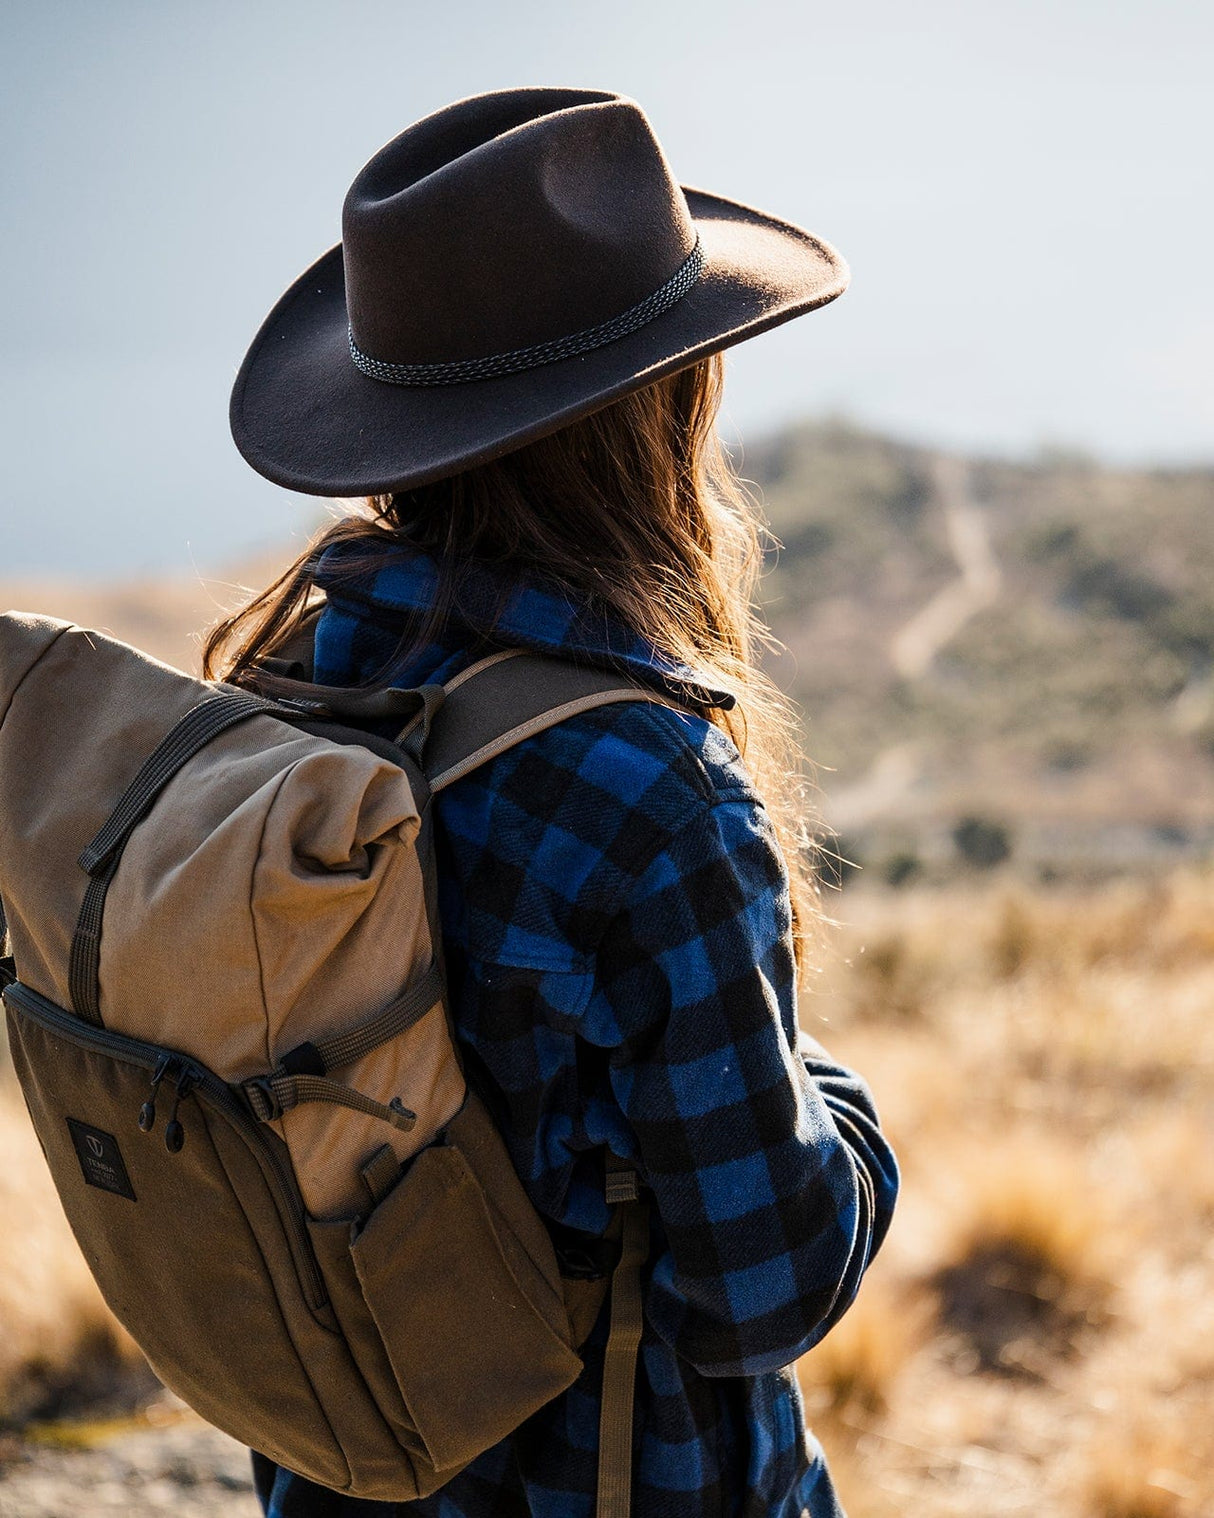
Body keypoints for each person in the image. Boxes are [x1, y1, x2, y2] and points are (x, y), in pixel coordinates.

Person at [213, 86, 899, 1518]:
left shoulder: (276, 690)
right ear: (668, 400)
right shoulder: (645, 792)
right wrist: (842, 1101)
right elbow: (764, 1285)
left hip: (343, 1477)